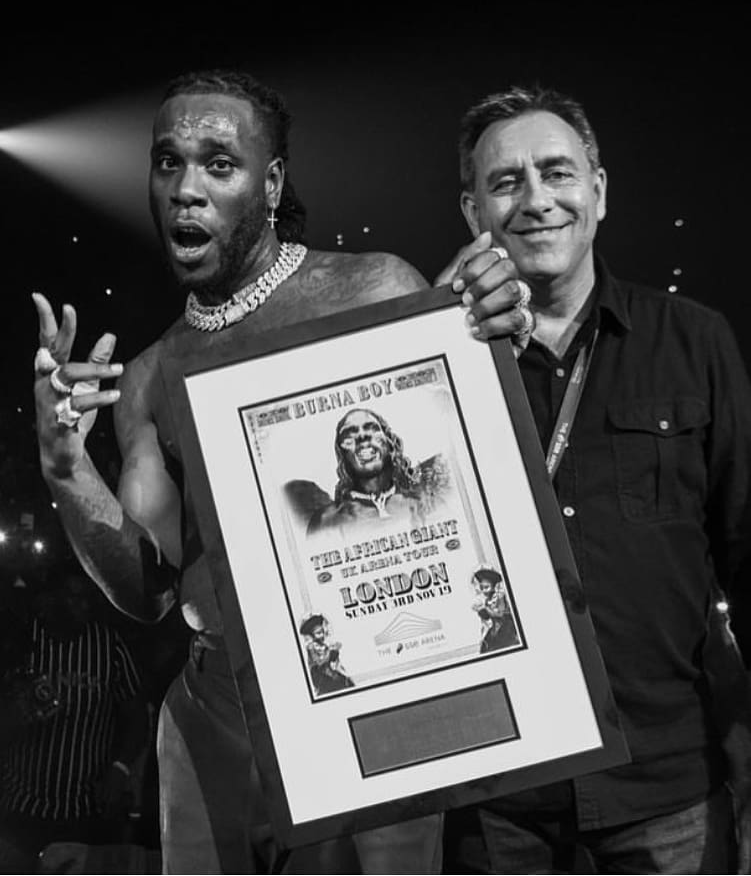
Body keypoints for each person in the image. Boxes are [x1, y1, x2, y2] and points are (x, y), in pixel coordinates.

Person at [31, 69, 442, 874]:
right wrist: (65, 467)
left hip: (373, 693)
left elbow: (445, 492)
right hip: (214, 712)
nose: (186, 188)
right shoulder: (147, 376)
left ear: (272, 183)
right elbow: (148, 591)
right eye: (168, 162)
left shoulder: (371, 291)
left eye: (219, 164)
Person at [435, 84, 751, 874]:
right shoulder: (433, 368)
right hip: (496, 792)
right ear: (473, 212)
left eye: (557, 173)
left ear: (598, 192)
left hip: (666, 781)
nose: (536, 199)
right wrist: (427, 338)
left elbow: (745, 553)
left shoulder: (694, 342)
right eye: (505, 182)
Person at [0, 565, 147, 873]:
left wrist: (120, 768)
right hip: (20, 807)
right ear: (51, 598)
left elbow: (136, 715)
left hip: (83, 810)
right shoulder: (22, 641)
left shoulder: (109, 647)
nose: (84, 605)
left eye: (88, 597)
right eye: (73, 596)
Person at [291, 407, 451, 536]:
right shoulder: (325, 521)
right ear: (342, 454)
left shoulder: (426, 505)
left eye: (372, 428)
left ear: (389, 444)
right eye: (349, 434)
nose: (362, 436)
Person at [299, 613, 354, 696]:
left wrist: (335, 652)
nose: (322, 635)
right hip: (323, 680)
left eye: (322, 632)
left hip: (332, 676)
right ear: (312, 635)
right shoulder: (311, 648)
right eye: (318, 633)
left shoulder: (325, 645)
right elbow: (319, 662)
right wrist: (331, 653)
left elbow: (333, 662)